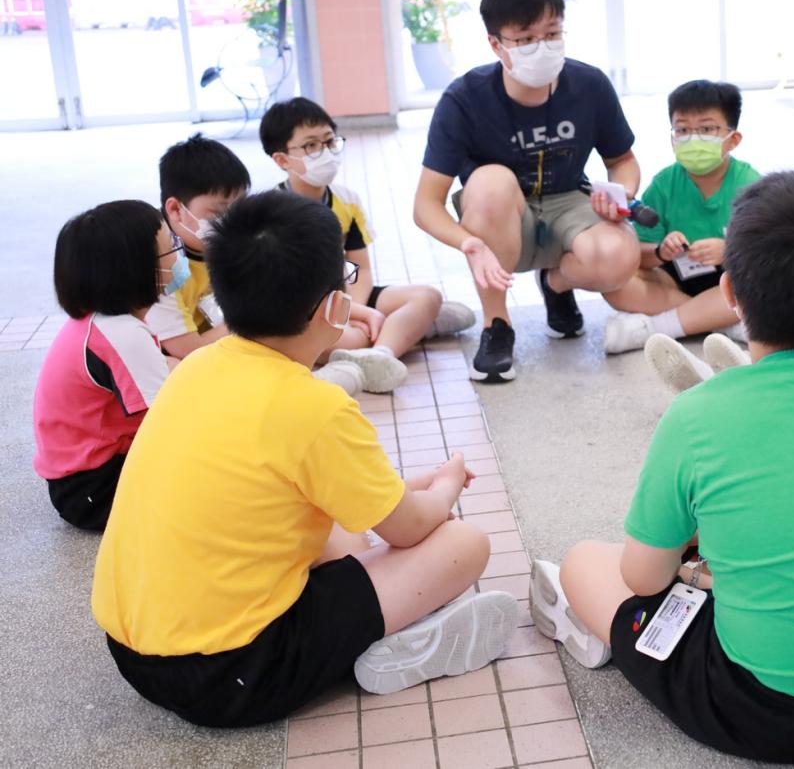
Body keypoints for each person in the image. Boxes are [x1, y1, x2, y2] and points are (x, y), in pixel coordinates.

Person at [529, 172, 794, 763]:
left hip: (769, 712)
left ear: (730, 292)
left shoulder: (696, 416)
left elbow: (643, 578)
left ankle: (616, 636)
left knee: (584, 563)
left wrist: (695, 565)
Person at [91, 190, 517, 727]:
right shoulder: (315, 406)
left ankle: (371, 631)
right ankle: (388, 646)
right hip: (230, 675)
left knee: (344, 532)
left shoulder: (196, 367)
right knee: (463, 545)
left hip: (132, 652)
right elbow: (408, 530)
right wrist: (449, 483)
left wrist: (410, 490)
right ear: (335, 307)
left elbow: (323, 496)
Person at [412, 0, 641, 382]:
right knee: (491, 182)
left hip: (568, 200)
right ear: (496, 44)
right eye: (525, 39)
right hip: (498, 212)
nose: (542, 47)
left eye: (552, 34)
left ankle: (556, 284)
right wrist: (468, 243)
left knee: (620, 255)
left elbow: (622, 159)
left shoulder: (589, 85)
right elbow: (426, 205)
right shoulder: (464, 99)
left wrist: (620, 193)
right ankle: (497, 324)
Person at [260, 96, 476, 392]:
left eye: (329, 141)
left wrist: (354, 310)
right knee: (348, 336)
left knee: (428, 297)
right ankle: (405, 331)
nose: (325, 152)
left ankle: (382, 353)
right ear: (282, 160)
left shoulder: (346, 200)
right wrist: (344, 320)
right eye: (310, 145)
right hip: (305, 311)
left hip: (347, 296)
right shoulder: (270, 212)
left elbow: (360, 267)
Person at [33, 201, 178, 530]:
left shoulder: (100, 322)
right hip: (94, 489)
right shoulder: (122, 333)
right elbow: (170, 417)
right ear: (136, 269)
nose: (177, 257)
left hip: (78, 479)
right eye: (170, 247)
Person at [601, 80, 759, 355]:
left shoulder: (751, 184)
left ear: (733, 139)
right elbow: (637, 254)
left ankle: (657, 327)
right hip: (675, 283)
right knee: (614, 281)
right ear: (672, 138)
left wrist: (729, 251)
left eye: (707, 129)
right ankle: (721, 322)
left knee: (757, 287)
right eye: (683, 130)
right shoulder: (664, 184)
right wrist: (661, 252)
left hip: (730, 280)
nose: (693, 138)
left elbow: (770, 253)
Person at [147, 133, 248, 359]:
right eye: (219, 213)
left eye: (240, 208)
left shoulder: (226, 243)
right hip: (174, 362)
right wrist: (255, 316)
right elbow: (189, 350)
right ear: (176, 209)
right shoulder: (161, 267)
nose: (234, 222)